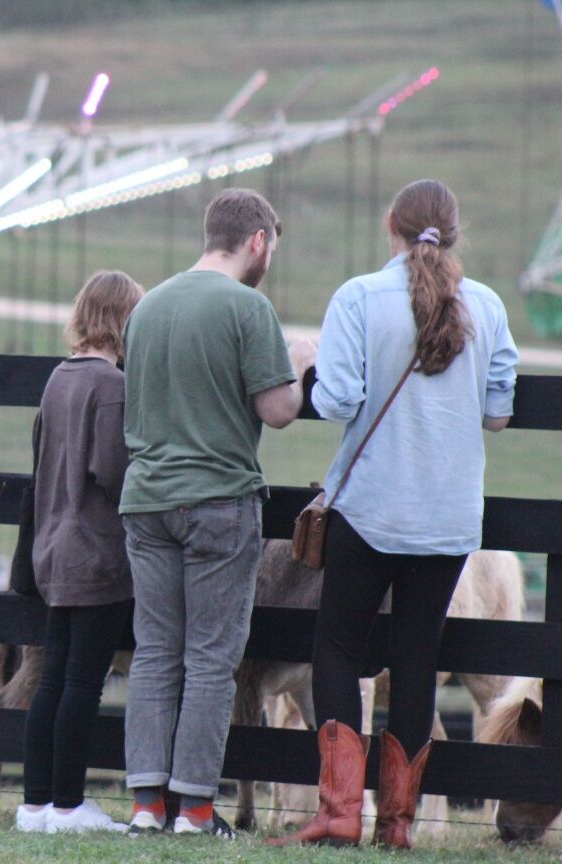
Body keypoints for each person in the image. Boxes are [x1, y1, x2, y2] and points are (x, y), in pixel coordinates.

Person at [271, 179, 518, 849]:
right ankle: (398, 823)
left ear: (393, 227)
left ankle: (339, 813)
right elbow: (498, 414)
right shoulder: (488, 307)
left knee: (338, 648)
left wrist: (307, 368)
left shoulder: (359, 298)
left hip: (372, 509)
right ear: (452, 231)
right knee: (416, 656)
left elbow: (341, 402)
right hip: (448, 519)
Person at [118, 189, 317, 838]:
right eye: (272, 250)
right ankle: (196, 810)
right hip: (218, 503)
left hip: (146, 501)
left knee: (153, 654)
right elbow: (279, 411)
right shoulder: (247, 307)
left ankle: (147, 806)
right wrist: (297, 364)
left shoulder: (147, 307)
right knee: (209, 661)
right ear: (257, 240)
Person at [16, 270, 144, 834]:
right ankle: (69, 805)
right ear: (124, 320)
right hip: (98, 556)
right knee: (83, 683)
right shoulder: (112, 387)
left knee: (51, 679)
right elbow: (115, 474)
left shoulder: (57, 379)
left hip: (53, 552)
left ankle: (35, 803)